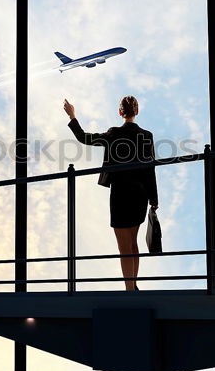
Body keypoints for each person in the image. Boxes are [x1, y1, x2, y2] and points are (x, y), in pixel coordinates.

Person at [63, 96, 158, 291]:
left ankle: (130, 289)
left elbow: (84, 137)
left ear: (120, 113)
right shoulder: (146, 135)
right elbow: (150, 168)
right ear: (137, 112)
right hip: (140, 194)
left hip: (121, 193)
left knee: (124, 246)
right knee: (132, 242)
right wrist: (153, 198)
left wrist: (73, 116)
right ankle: (134, 285)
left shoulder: (113, 134)